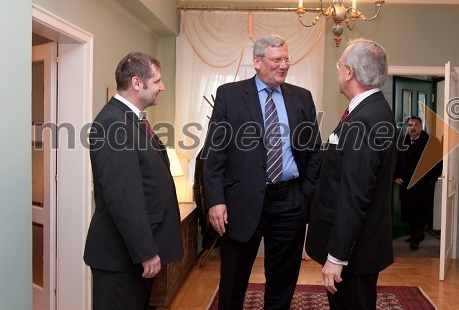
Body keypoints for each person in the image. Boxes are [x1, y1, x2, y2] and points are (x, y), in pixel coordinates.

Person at [203, 34, 322, 309]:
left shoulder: (301, 98)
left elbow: (314, 150)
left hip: (290, 202)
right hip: (240, 201)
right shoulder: (230, 96)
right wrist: (216, 200)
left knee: (283, 280)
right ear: (257, 62)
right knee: (233, 280)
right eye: (276, 59)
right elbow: (214, 153)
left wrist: (304, 196)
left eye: (287, 59)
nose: (284, 65)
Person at [84, 52, 183, 310]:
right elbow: (123, 197)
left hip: (130, 257)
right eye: (157, 81)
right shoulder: (112, 124)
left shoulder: (130, 120)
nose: (162, 87)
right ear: (137, 83)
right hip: (120, 259)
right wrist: (146, 251)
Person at [305, 39, 397, 310]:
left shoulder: (366, 119)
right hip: (358, 246)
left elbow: (354, 195)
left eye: (339, 65)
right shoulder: (370, 111)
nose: (338, 71)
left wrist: (337, 257)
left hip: (354, 253)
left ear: (349, 73)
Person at [394, 116, 442, 250]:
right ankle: (417, 234)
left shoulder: (431, 142)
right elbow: (396, 160)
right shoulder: (402, 141)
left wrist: (430, 180)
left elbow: (438, 164)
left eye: (416, 125)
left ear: (421, 127)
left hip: (423, 186)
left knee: (420, 212)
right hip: (406, 184)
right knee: (409, 211)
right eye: (410, 125)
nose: (413, 128)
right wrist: (396, 176)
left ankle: (415, 238)